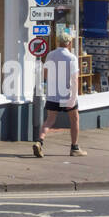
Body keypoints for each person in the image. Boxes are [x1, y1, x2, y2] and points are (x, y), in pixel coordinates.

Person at [34, 29, 87, 158]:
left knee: (50, 120)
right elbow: (74, 79)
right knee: (74, 119)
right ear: (69, 43)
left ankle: (39, 141)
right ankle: (74, 147)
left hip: (53, 94)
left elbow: (45, 74)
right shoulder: (71, 58)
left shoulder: (50, 55)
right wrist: (73, 98)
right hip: (67, 94)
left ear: (59, 42)